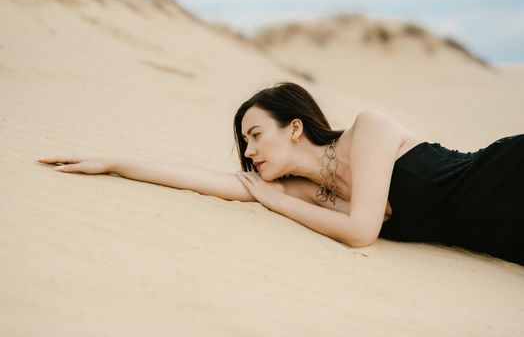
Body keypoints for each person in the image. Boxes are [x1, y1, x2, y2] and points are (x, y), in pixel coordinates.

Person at [36, 82, 524, 266]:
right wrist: (116, 165)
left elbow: (361, 232)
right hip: (505, 235)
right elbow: (201, 180)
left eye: (254, 136)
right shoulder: (305, 192)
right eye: (244, 145)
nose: (248, 154)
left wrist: (277, 203)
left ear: (294, 128)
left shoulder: (368, 130)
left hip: (506, 178)